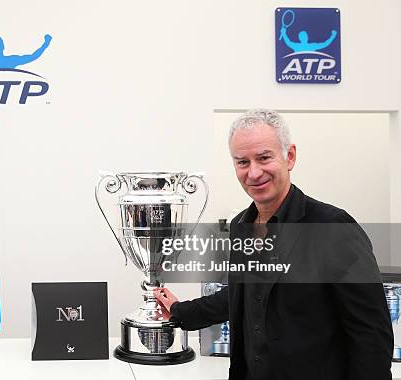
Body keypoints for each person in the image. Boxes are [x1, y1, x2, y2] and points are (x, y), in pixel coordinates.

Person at [155, 109, 392, 380]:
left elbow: (371, 334)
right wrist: (181, 311)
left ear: (289, 156)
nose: (254, 172)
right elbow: (243, 294)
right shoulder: (240, 227)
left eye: (264, 157)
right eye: (242, 162)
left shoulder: (333, 227)